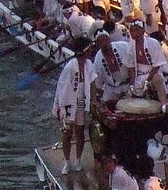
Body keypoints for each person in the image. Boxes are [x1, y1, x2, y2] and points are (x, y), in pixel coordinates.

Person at [52, 36, 95, 175]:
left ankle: (78, 159)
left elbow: (93, 81)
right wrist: (62, 107)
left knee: (80, 132)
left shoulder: (88, 64)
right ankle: (67, 161)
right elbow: (62, 87)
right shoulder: (70, 66)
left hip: (82, 100)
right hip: (69, 101)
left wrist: (94, 100)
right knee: (67, 133)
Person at [123, 18, 168, 105]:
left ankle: (164, 104)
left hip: (153, 73)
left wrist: (147, 81)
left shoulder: (153, 43)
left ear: (143, 30)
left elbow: (157, 66)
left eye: (137, 30)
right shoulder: (130, 47)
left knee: (158, 79)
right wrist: (132, 84)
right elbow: (131, 68)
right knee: (131, 95)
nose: (134, 33)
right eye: (132, 31)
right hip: (140, 74)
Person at [91, 28, 132, 108]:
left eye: (106, 40)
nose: (104, 43)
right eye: (101, 41)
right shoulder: (97, 61)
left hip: (128, 85)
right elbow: (98, 84)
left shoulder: (124, 46)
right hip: (111, 89)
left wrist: (132, 85)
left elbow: (133, 65)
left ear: (109, 39)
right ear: (97, 44)